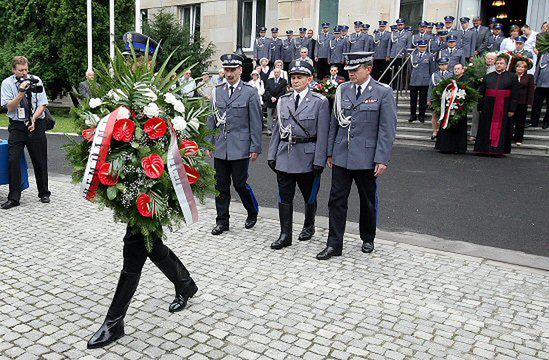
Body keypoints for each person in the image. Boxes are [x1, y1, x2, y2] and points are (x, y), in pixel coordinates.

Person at [86, 33, 198, 349]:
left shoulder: (164, 92)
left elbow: (179, 135)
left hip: (157, 182)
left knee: (134, 248)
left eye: (137, 56)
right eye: (128, 56)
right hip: (130, 182)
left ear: (149, 57)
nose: (132, 61)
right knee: (150, 244)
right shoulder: (124, 91)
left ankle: (114, 322)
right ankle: (185, 284)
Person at [318, 52, 397, 260]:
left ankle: (368, 237)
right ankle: (334, 244)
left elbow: (387, 129)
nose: (351, 74)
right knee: (336, 200)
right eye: (349, 70)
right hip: (342, 155)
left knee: (367, 200)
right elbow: (335, 122)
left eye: (355, 70)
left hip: (366, 157)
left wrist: (382, 158)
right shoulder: (342, 90)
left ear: (368, 69)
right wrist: (330, 151)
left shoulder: (382, 92)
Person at [267, 60, 330, 250]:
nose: (295, 81)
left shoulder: (320, 102)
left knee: (309, 196)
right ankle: (285, 234)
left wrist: (320, 159)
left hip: (307, 157)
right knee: (284, 196)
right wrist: (272, 154)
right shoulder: (284, 100)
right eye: (293, 77)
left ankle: (309, 225)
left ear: (309, 79)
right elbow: (278, 129)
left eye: (300, 77)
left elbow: (323, 134)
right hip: (285, 156)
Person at [206, 53, 263, 235]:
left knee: (240, 184)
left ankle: (252, 210)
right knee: (220, 186)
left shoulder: (249, 92)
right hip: (221, 146)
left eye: (233, 70)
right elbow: (211, 119)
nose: (229, 74)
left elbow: (255, 122)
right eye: (227, 70)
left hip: (240, 147)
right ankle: (222, 221)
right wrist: (209, 142)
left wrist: (255, 147)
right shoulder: (217, 91)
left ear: (240, 70)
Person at [0, 56, 50, 210]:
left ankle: (44, 193)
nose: (24, 73)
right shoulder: (7, 84)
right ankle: (14, 198)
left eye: (26, 69)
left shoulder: (36, 80)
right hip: (17, 125)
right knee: (13, 159)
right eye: (21, 70)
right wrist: (21, 92)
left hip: (36, 123)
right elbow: (9, 107)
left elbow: (43, 103)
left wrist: (34, 119)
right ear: (14, 70)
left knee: (40, 159)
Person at [474, 55, 519, 156]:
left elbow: (515, 94)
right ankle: (484, 149)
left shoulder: (512, 77)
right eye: (497, 63)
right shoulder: (488, 76)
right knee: (486, 127)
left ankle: (498, 150)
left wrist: (512, 109)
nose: (499, 65)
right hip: (488, 106)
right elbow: (481, 93)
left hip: (504, 106)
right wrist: (480, 107)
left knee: (501, 128)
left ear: (506, 65)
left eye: (501, 63)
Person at [435, 63, 469, 154]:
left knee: (459, 127)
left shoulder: (467, 81)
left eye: (458, 68)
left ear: (463, 70)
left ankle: (458, 148)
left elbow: (469, 94)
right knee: (447, 125)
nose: (456, 70)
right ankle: (445, 146)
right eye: (455, 69)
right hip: (449, 107)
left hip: (460, 107)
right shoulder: (450, 80)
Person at [470, 52, 498, 141]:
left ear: (495, 60)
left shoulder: (496, 69)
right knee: (476, 114)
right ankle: (473, 134)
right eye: (488, 58)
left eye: (492, 59)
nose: (490, 60)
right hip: (479, 93)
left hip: (490, 94)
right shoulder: (480, 67)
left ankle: (486, 134)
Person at [427, 57, 453, 139]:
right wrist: (429, 99)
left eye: (445, 64)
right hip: (436, 97)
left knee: (445, 115)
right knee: (435, 114)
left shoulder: (451, 74)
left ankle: (442, 131)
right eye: (441, 65)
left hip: (447, 98)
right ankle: (435, 131)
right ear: (438, 66)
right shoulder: (434, 75)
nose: (443, 66)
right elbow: (430, 88)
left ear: (447, 65)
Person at [409, 40, 432, 123]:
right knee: (413, 99)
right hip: (414, 80)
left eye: (424, 47)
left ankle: (421, 115)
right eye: (420, 47)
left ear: (426, 47)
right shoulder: (413, 56)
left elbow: (431, 69)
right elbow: (410, 68)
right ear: (417, 47)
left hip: (424, 81)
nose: (422, 48)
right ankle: (413, 115)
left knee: (423, 99)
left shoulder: (430, 56)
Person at [513, 60, 535, 145]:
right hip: (512, 102)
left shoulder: (529, 77)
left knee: (520, 121)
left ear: (525, 69)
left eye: (522, 67)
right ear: (516, 68)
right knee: (511, 121)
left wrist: (529, 102)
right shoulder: (512, 76)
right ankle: (509, 137)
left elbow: (531, 90)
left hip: (522, 102)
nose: (520, 68)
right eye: (518, 66)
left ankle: (518, 139)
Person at [387, 18, 412, 89]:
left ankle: (401, 87)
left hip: (402, 56)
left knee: (402, 73)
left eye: (401, 25)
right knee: (392, 72)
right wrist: (388, 55)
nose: (400, 26)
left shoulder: (408, 34)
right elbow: (389, 45)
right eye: (398, 25)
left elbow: (409, 45)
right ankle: (393, 86)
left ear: (404, 25)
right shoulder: (393, 33)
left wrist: (407, 55)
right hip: (393, 55)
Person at [264, 67, 288, 135]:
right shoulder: (269, 80)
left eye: (278, 72)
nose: (276, 73)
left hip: (278, 101)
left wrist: (276, 98)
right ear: (273, 73)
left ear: (280, 73)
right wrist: (271, 97)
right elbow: (267, 90)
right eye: (275, 72)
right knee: (269, 117)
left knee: (278, 116)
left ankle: (277, 130)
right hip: (270, 101)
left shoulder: (283, 81)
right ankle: (270, 130)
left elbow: (283, 91)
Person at [529, 53, 549, 129]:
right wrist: (534, 82)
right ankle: (534, 122)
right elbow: (538, 69)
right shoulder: (544, 55)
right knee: (536, 104)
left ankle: (546, 122)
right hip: (540, 84)